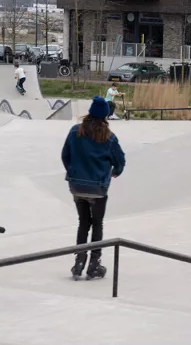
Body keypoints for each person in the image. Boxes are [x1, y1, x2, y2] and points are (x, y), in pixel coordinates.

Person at [61, 96, 126, 280]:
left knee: (83, 222)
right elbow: (120, 161)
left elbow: (65, 155)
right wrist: (115, 172)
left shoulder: (75, 131)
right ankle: (94, 263)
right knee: (97, 223)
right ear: (105, 116)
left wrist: (73, 172)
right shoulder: (109, 137)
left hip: (77, 185)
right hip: (98, 188)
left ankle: (79, 260)